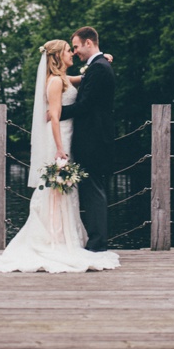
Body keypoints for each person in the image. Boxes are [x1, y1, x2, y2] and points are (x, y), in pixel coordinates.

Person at [0, 40, 119, 273]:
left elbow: (86, 79)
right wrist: (59, 148)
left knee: (65, 191)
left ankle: (65, 238)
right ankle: (51, 240)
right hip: (60, 137)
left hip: (71, 135)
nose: (72, 53)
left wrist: (104, 59)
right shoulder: (54, 81)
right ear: (56, 56)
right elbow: (54, 116)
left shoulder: (63, 78)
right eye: (67, 50)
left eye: (74, 48)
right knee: (54, 191)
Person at [60, 26, 115, 252]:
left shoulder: (99, 68)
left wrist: (57, 114)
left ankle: (97, 244)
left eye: (76, 46)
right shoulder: (99, 66)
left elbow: (86, 106)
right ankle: (96, 241)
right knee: (92, 190)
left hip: (93, 140)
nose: (74, 52)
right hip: (95, 138)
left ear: (88, 43)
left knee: (93, 192)